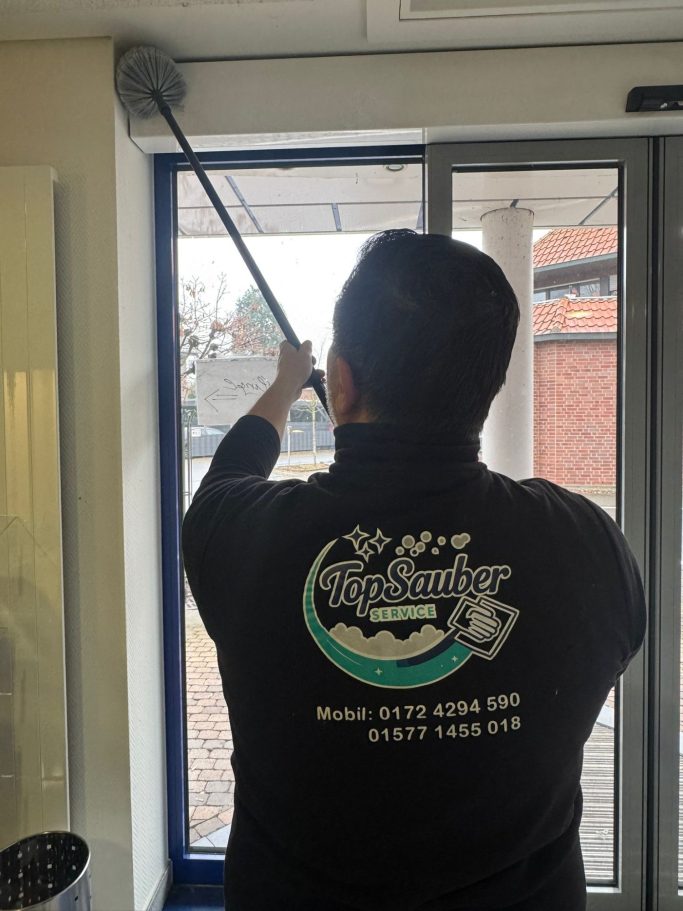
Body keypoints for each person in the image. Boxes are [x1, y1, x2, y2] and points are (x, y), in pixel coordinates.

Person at [182, 229, 646, 911]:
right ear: (490, 383)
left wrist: (285, 384)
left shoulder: (242, 534)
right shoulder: (586, 542)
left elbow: (229, 472)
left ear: (340, 382)